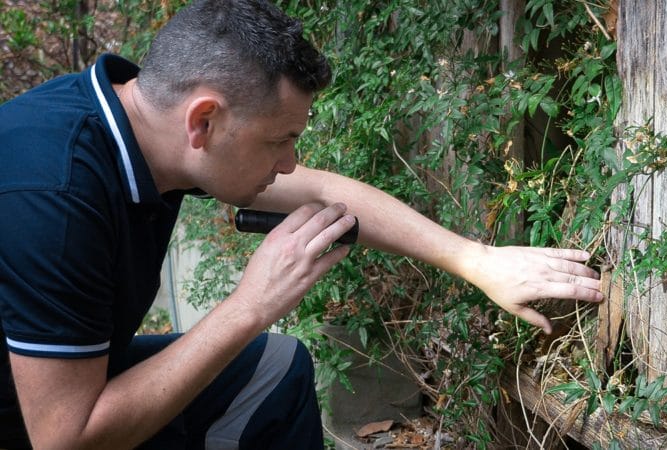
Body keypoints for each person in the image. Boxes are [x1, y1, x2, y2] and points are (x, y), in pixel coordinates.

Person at [0, 0, 604, 448]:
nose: (289, 162)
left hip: (59, 392)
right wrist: (249, 305)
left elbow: (321, 192)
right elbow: (64, 439)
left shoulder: (144, 125)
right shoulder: (53, 197)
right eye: (281, 140)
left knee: (275, 370)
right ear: (203, 120)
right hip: (40, 421)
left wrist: (476, 261)